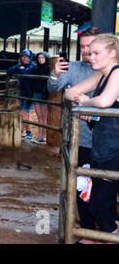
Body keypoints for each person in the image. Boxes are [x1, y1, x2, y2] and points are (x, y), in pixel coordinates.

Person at [66, 33, 119, 243]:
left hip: (115, 150)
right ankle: (107, 236)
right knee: (100, 203)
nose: (91, 57)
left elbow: (105, 102)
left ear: (112, 53)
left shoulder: (117, 73)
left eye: (97, 53)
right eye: (89, 52)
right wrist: (84, 100)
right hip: (103, 147)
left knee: (99, 204)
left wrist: (87, 102)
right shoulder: (101, 75)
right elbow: (71, 93)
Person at [47, 26, 101, 230]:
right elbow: (53, 88)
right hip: (82, 139)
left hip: (109, 141)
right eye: (83, 46)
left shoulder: (110, 70)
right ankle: (88, 229)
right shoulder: (75, 68)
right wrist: (54, 74)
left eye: (91, 46)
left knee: (105, 188)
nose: (86, 51)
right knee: (81, 187)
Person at [6, 49, 36, 139]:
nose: (24, 58)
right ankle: (24, 131)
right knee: (24, 112)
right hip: (23, 92)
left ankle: (29, 132)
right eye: (22, 56)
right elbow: (9, 71)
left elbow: (27, 73)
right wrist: (17, 67)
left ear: (30, 57)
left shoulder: (33, 66)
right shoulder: (20, 66)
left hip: (30, 92)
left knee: (25, 112)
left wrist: (22, 70)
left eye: (26, 57)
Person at [30, 51, 50, 144]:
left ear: (46, 59)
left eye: (43, 58)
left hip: (44, 94)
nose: (41, 59)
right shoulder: (35, 68)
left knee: (44, 116)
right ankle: (39, 136)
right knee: (39, 116)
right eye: (39, 58)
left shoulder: (49, 69)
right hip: (36, 93)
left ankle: (42, 136)